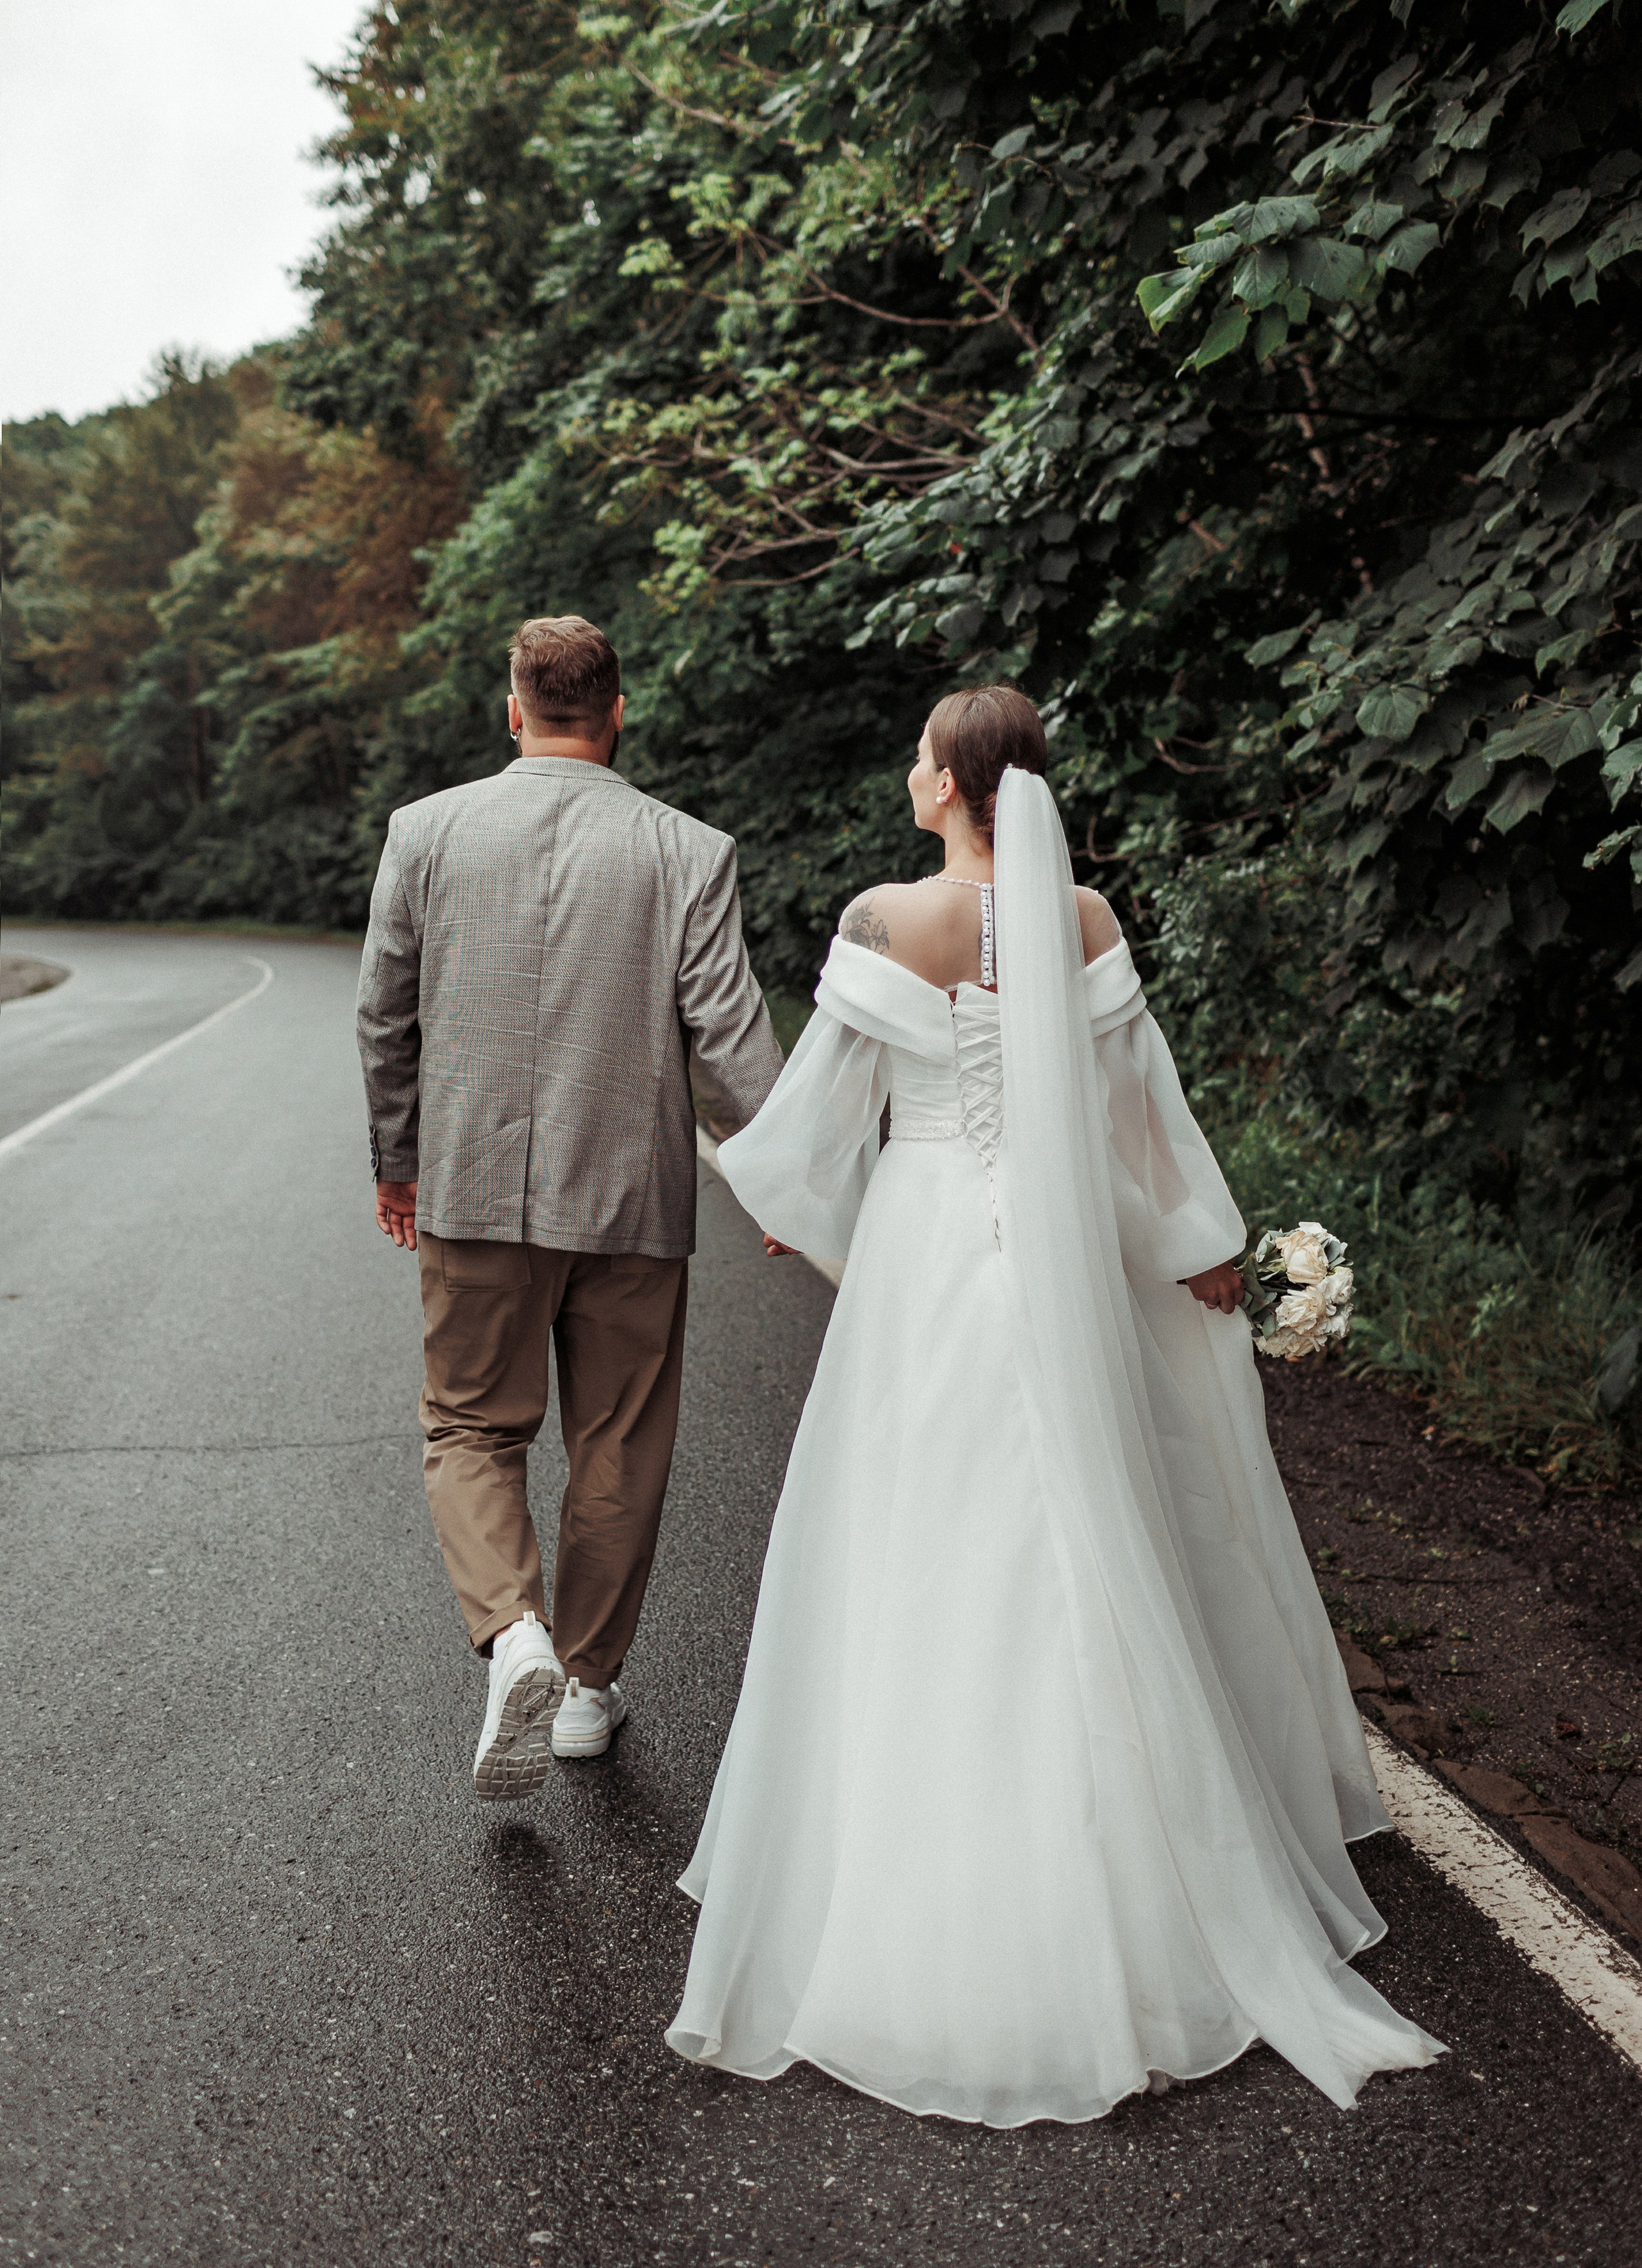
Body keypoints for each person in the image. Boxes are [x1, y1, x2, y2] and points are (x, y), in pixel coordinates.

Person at [666, 685, 1443, 2124]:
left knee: (920, 1534)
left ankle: (927, 1861)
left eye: (917, 757)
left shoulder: (882, 922)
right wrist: (1196, 1243)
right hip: (1064, 1250)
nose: (907, 774)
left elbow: (815, 1135)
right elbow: (1139, 1116)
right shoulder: (1082, 921)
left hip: (925, 1252)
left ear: (953, 785)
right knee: (1084, 1519)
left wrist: (769, 1188)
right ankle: (1136, 1868)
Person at [357, 615, 783, 1799]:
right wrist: (791, 1179)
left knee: (471, 1428)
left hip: (469, 1190)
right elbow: (735, 1050)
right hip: (633, 1196)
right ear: (619, 711)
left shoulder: (426, 832)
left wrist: (399, 1157)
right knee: (619, 1438)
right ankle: (587, 1686)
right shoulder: (687, 850)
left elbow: (385, 1014)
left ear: (514, 711)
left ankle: (516, 1633)